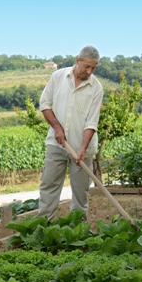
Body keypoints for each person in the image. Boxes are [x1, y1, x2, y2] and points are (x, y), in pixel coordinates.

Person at [37, 45, 103, 221]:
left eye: (93, 68)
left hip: (83, 149)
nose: (89, 71)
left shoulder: (96, 88)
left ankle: (77, 231)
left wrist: (82, 147)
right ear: (77, 61)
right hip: (56, 143)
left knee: (81, 192)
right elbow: (45, 104)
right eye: (87, 66)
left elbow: (91, 122)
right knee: (49, 185)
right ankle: (44, 226)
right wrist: (57, 128)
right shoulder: (58, 77)